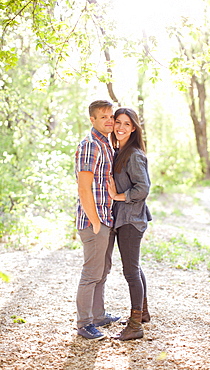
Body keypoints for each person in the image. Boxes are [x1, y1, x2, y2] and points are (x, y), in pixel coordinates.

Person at [75, 100, 120, 340]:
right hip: (95, 221)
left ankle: (99, 315)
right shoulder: (90, 145)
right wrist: (95, 222)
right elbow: (84, 189)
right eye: (103, 117)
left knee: (103, 271)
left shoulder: (107, 145)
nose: (109, 120)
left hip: (107, 217)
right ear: (92, 120)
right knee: (91, 273)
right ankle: (84, 324)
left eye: (111, 116)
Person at [107, 107, 152, 341]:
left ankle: (135, 325)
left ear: (133, 128)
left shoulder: (134, 154)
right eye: (118, 123)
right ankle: (142, 312)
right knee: (135, 267)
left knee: (130, 271)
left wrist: (119, 197)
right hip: (124, 218)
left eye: (127, 124)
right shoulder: (119, 151)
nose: (121, 127)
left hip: (131, 219)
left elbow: (143, 188)